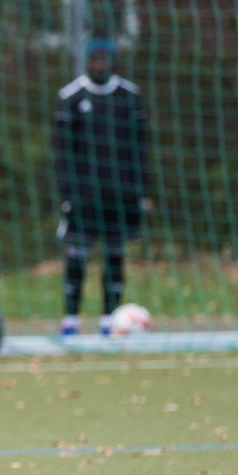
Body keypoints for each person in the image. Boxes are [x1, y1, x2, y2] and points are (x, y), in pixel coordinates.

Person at [53, 38, 152, 336]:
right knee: (77, 257)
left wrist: (142, 191)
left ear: (112, 61)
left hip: (119, 195)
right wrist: (66, 193)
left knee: (114, 255)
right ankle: (70, 319)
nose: (99, 65)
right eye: (94, 60)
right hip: (83, 197)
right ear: (86, 61)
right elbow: (61, 152)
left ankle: (110, 319)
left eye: (104, 60)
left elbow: (141, 148)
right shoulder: (71, 96)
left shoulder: (129, 96)